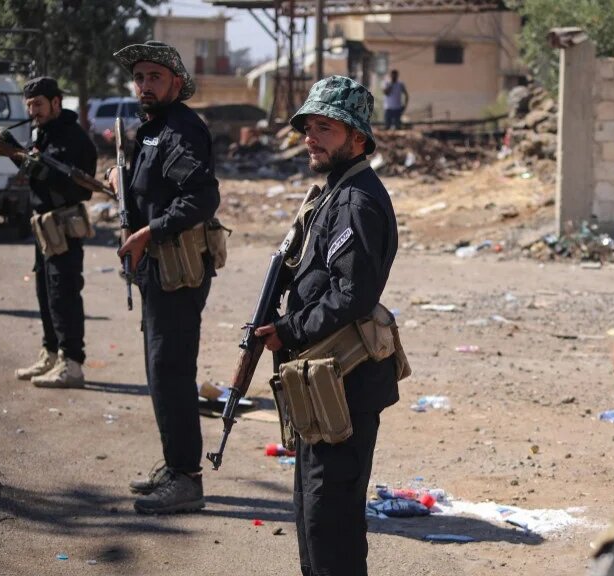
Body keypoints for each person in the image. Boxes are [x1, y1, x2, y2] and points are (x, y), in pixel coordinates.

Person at [252, 75, 400, 576]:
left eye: (326, 129)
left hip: (347, 384)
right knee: (314, 516)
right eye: (309, 128)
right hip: (324, 383)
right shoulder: (335, 192)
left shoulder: (357, 200)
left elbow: (353, 296)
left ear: (357, 138)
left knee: (330, 522)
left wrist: (289, 330)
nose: (312, 138)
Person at [108, 41, 220, 515]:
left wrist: (149, 231)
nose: (145, 85)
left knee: (172, 370)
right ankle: (175, 466)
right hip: (156, 270)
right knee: (160, 370)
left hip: (178, 269)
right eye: (140, 77)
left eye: (155, 76)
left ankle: (187, 480)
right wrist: (119, 181)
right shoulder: (150, 130)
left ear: (176, 83)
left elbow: (201, 197)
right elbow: (150, 190)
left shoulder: (182, 128)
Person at [0, 77, 97, 388]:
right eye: (30, 106)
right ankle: (51, 353)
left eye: (38, 104)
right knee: (46, 294)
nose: (33, 111)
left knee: (64, 295)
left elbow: (72, 184)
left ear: (56, 102)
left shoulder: (73, 138)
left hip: (64, 225)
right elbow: (35, 169)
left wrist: (16, 153)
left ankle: (72, 364)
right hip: (43, 226)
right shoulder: (46, 134)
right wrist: (10, 148)